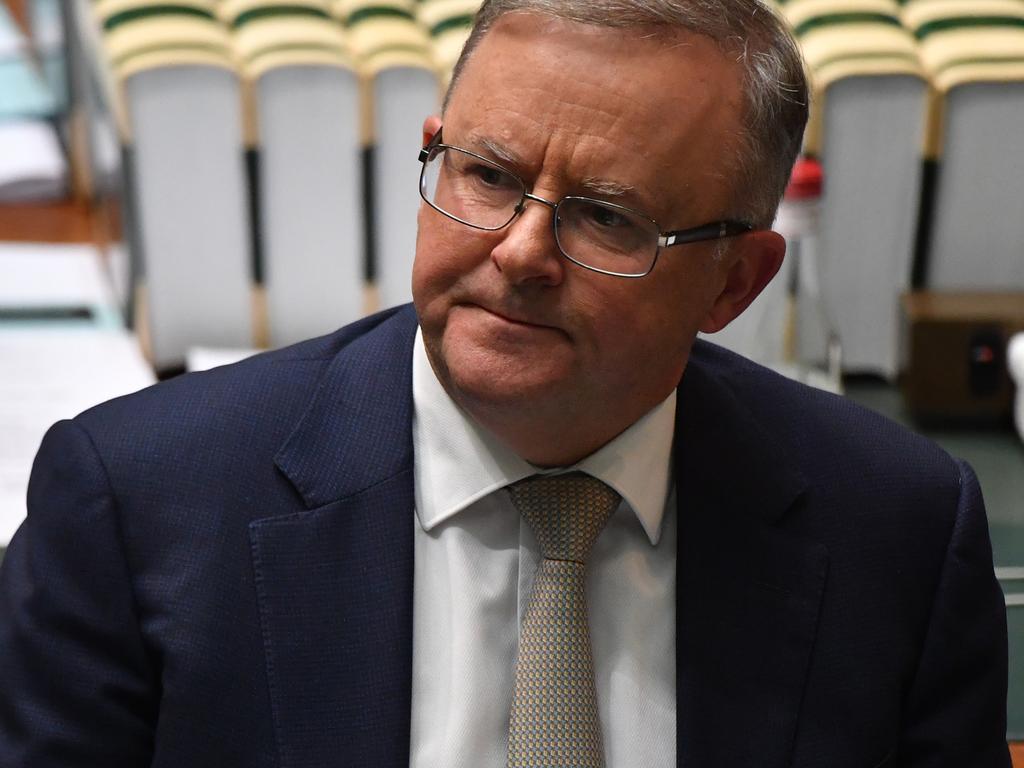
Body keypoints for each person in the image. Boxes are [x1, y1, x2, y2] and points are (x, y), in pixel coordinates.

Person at [0, 0, 1010, 765]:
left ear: (734, 281)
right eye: (485, 176)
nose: (522, 252)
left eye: (607, 216)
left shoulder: (900, 537)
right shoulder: (134, 506)